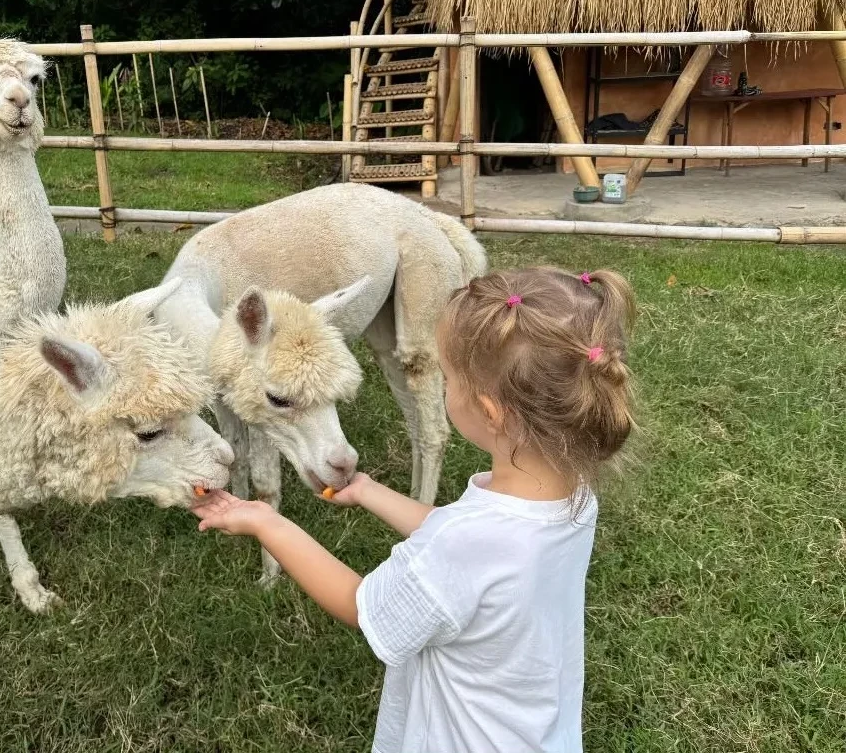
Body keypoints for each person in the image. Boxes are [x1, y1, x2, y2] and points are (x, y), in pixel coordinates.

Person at [193, 267, 637, 753]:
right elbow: (460, 538)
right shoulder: (571, 498)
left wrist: (268, 522)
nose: (443, 386)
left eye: (448, 377)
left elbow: (361, 605)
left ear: (490, 413)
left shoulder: (466, 544)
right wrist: (369, 491)